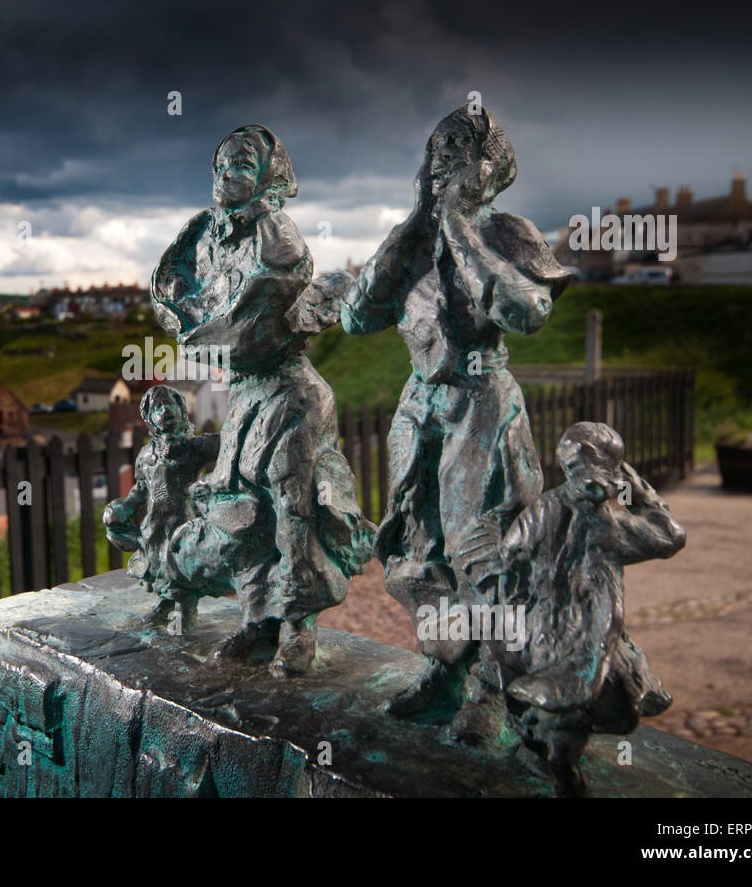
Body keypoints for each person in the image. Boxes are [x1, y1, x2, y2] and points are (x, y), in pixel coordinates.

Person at [341, 106, 571, 738]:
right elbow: (357, 316)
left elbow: (526, 311)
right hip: (421, 406)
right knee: (418, 548)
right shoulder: (412, 239)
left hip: (482, 403)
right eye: (435, 149)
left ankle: (492, 688)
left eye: (457, 149)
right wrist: (419, 221)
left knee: (485, 551)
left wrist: (462, 229)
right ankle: (443, 667)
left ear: (489, 166)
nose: (441, 160)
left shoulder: (510, 232)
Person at [151, 125, 374, 676]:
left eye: (243, 164)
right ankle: (257, 622)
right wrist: (204, 326)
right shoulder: (202, 233)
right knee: (242, 505)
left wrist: (208, 326)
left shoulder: (275, 229)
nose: (227, 175)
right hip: (249, 391)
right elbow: (170, 294)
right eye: (221, 165)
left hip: (291, 390)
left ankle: (298, 626)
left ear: (269, 177)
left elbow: (259, 312)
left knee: (293, 508)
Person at [498, 422, 685, 796]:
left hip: (538, 633)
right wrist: (637, 491)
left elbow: (510, 552)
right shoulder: (608, 529)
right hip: (585, 642)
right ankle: (560, 759)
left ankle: (546, 742)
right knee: (590, 698)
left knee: (563, 697)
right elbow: (670, 536)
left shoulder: (541, 510)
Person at [103, 385, 219, 634]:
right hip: (155, 524)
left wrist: (211, 486)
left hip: (185, 521)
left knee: (182, 565)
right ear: (148, 418)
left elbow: (229, 455)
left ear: (182, 410)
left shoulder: (196, 447)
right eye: (157, 408)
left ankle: (184, 611)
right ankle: (166, 603)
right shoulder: (146, 455)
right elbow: (141, 487)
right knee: (158, 563)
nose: (165, 411)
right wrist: (126, 505)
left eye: (171, 404)